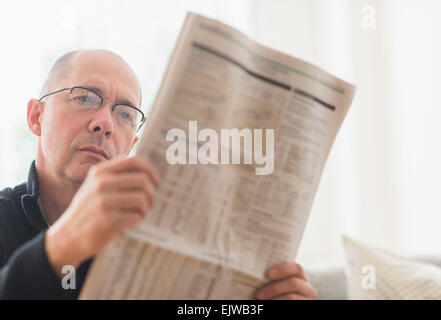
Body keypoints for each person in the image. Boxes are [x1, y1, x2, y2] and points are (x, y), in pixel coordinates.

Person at [0, 49, 317, 300]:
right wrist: (63, 246)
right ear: (36, 117)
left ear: (132, 145)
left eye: (125, 113)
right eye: (84, 97)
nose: (105, 123)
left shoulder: (155, 238)